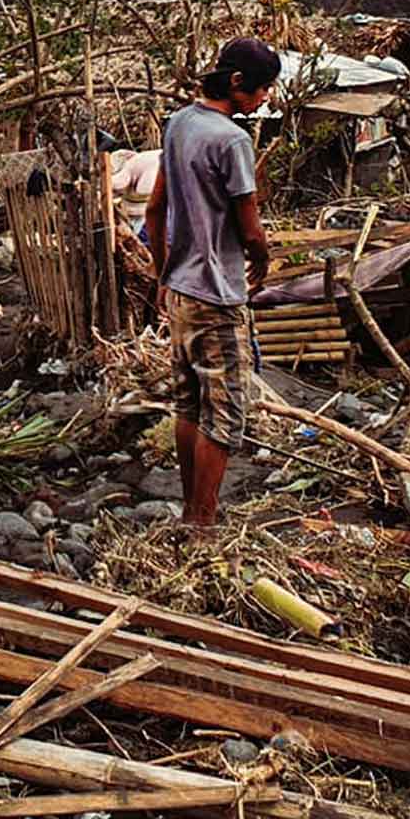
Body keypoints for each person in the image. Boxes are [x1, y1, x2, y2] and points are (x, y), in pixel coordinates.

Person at [145, 36, 281, 527]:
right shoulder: (232, 140)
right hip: (218, 295)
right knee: (223, 414)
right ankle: (202, 524)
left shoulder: (179, 123)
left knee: (188, 404)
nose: (266, 97)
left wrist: (164, 272)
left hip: (180, 291)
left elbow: (155, 208)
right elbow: (249, 224)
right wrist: (262, 258)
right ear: (238, 83)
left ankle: (190, 509)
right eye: (263, 88)